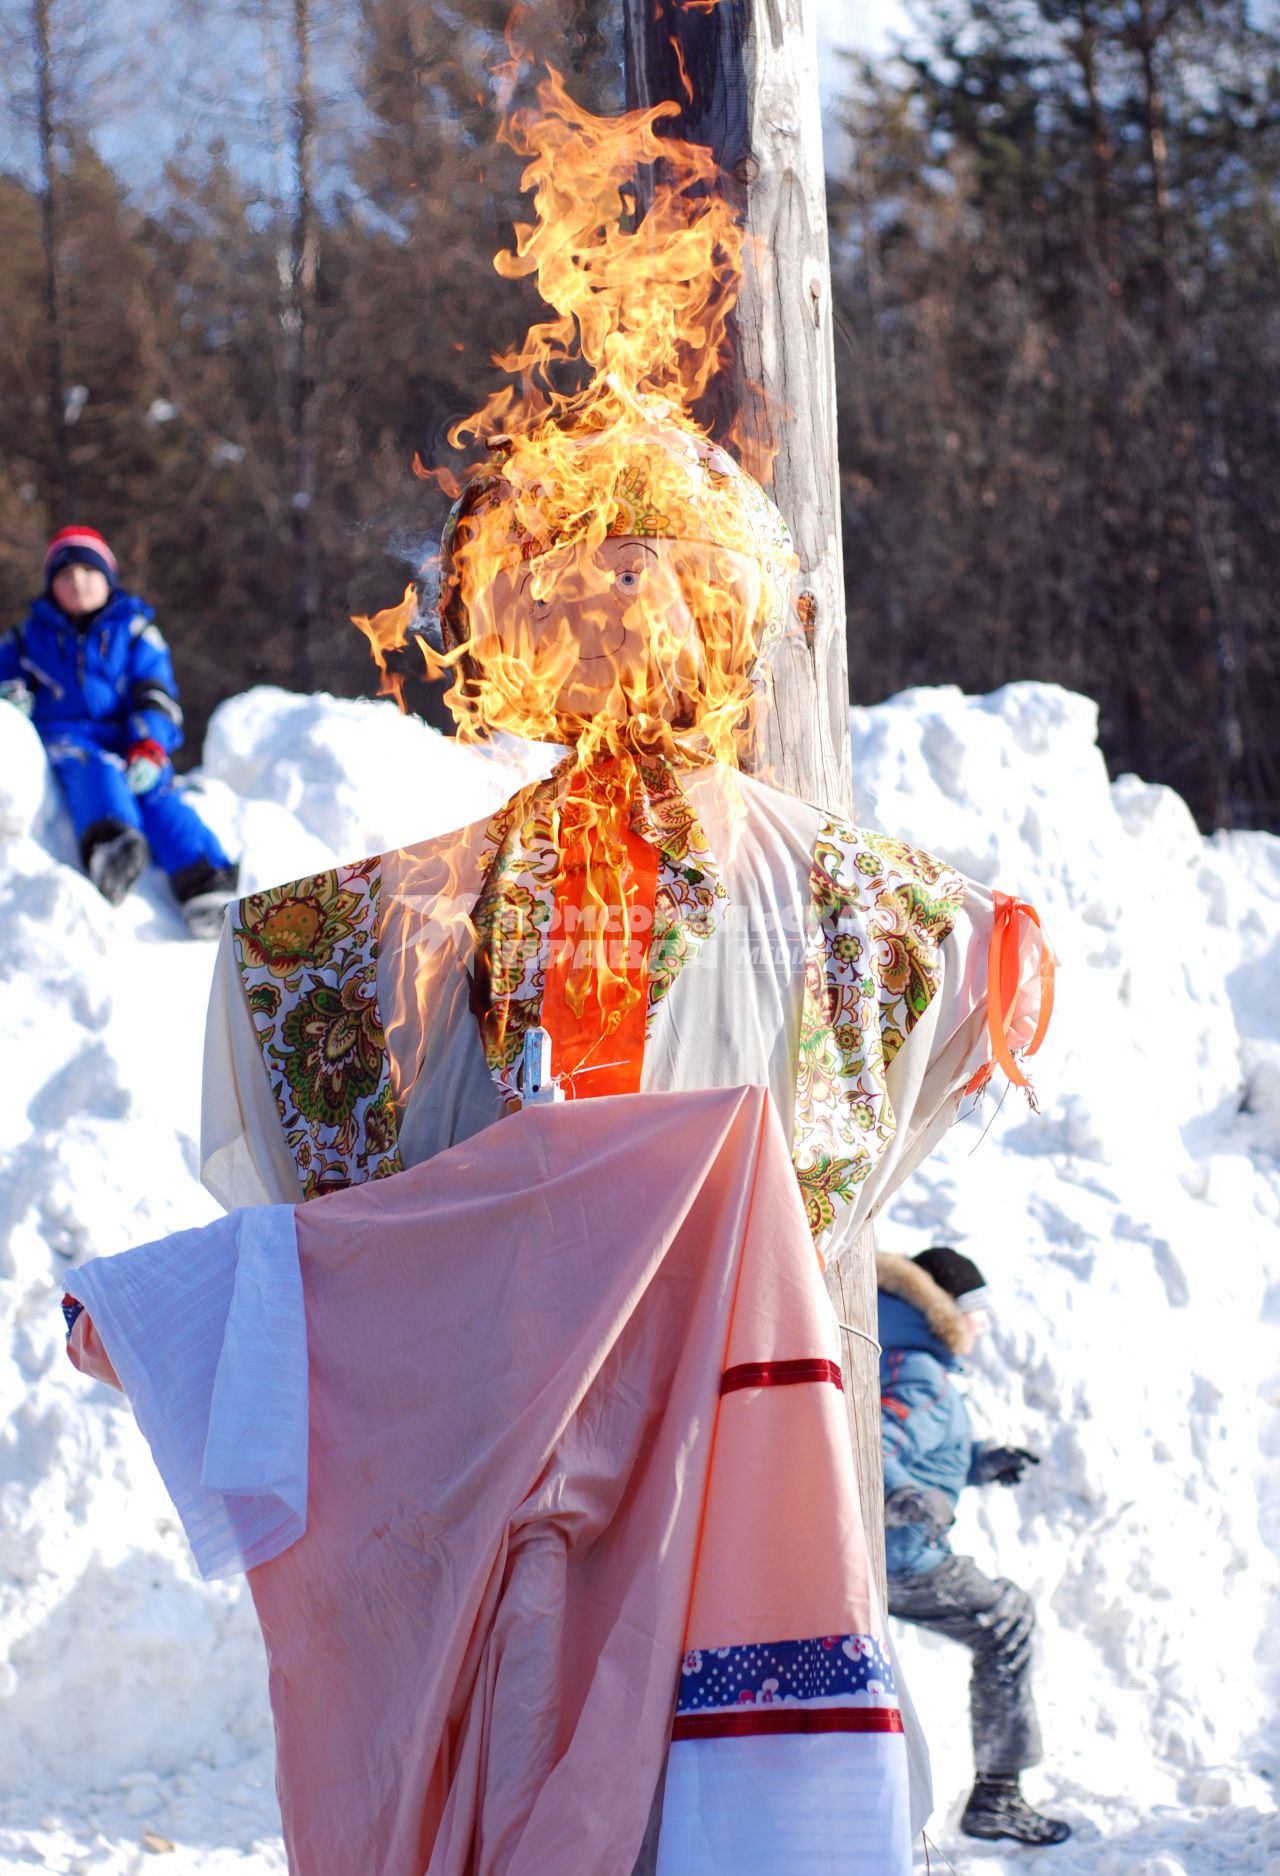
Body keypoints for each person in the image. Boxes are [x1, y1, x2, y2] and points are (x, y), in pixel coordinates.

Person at [878, 1244, 1072, 1846]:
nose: (984, 1324)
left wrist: (978, 1462)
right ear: (945, 1311)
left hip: (888, 1548)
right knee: (1006, 1619)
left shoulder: (899, 1354)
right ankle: (998, 1796)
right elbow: (867, 1443)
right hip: (901, 1555)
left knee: (1004, 1616)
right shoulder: (919, 1371)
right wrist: (904, 1495)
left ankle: (998, 1792)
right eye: (976, 1309)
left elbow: (917, 1444)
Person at [0, 525, 238, 936]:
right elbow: (5, 682)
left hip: (129, 734)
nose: (76, 582)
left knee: (157, 790)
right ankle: (112, 844)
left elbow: (156, 693)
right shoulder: (25, 638)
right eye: (64, 575)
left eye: (87, 572)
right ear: (50, 584)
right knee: (92, 769)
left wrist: (149, 742)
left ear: (107, 578)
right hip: (65, 736)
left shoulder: (135, 631)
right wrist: (10, 701)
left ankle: (206, 879)